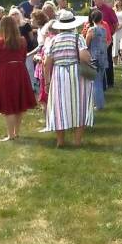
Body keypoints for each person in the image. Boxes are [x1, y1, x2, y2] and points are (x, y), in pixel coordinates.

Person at [44, 10, 94, 147]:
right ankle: (77, 141)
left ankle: (60, 141)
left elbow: (47, 63)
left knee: (59, 106)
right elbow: (84, 57)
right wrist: (89, 61)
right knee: (80, 104)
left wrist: (47, 82)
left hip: (59, 74)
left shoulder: (53, 40)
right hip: (76, 73)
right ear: (73, 25)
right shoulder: (78, 38)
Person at [0, 16, 37, 141]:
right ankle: (16, 132)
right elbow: (23, 56)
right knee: (19, 102)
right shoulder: (22, 40)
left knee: (8, 104)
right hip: (20, 71)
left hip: (5, 72)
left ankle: (10, 135)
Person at [93, 0, 118, 88]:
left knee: (107, 59)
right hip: (95, 39)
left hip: (106, 39)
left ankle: (110, 81)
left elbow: (115, 23)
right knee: (96, 60)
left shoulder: (108, 10)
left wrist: (111, 34)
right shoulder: (93, 10)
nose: (95, 1)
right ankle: (100, 81)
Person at [85, 10, 109, 110]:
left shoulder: (91, 30)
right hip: (103, 57)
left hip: (94, 57)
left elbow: (86, 44)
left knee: (95, 82)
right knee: (100, 80)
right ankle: (100, 103)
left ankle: (98, 105)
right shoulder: (104, 30)